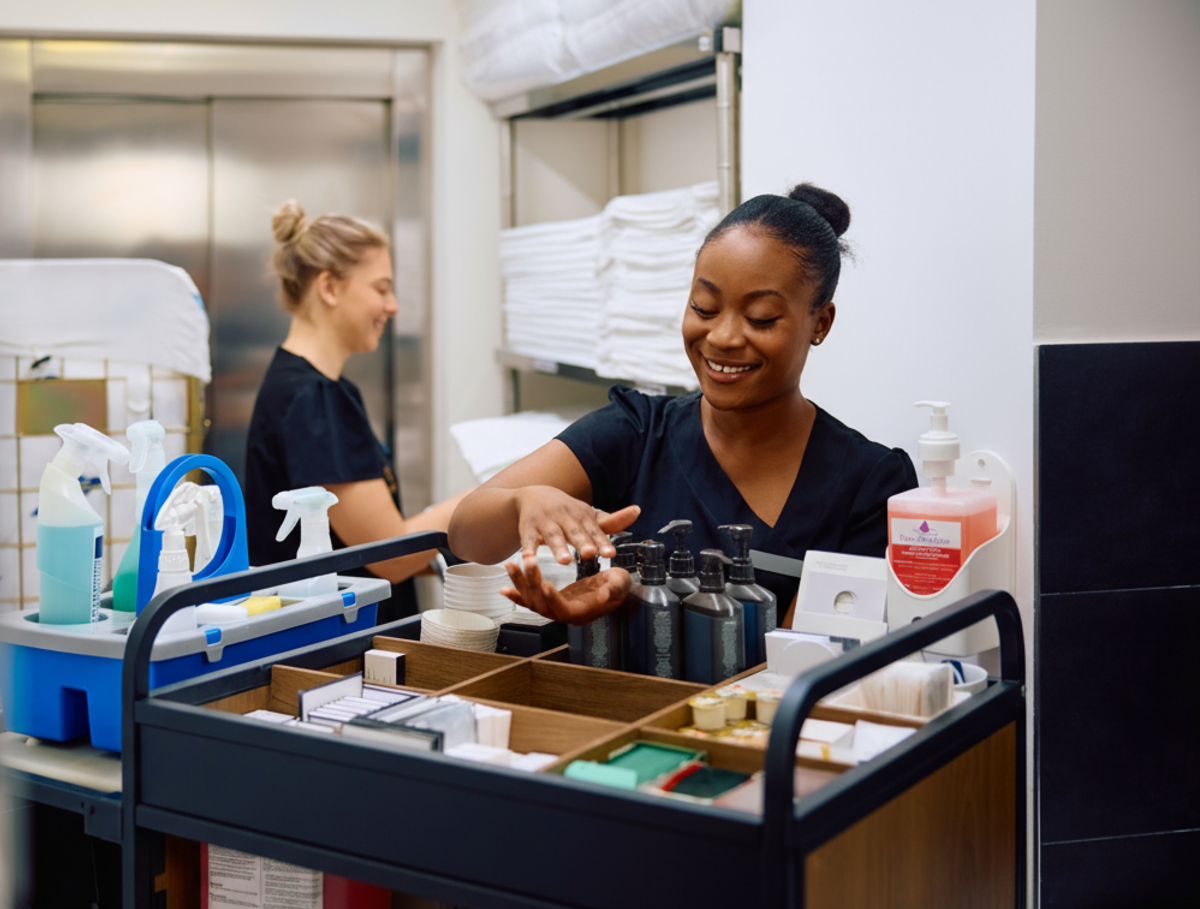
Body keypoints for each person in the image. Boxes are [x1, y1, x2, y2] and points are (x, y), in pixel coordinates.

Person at [448, 183, 917, 626]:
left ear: (821, 322)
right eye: (704, 308)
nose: (723, 337)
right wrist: (524, 503)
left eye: (760, 318)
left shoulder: (868, 484)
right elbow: (467, 536)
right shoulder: (637, 432)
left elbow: (803, 662)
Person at [246, 201, 462, 622]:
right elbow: (390, 556)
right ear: (329, 288)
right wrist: (489, 499)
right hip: (338, 647)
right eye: (381, 289)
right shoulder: (314, 400)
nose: (394, 306)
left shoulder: (309, 388)